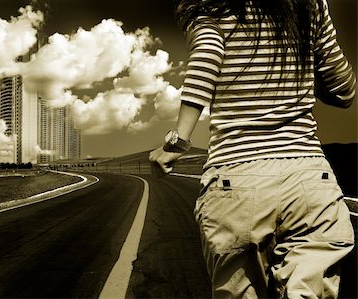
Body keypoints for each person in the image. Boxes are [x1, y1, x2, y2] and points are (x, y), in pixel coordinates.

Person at [149, 0, 356, 297]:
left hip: (237, 179)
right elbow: (343, 90)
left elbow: (206, 59)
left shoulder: (212, 5)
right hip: (308, 181)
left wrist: (176, 142)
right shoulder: (310, 5)